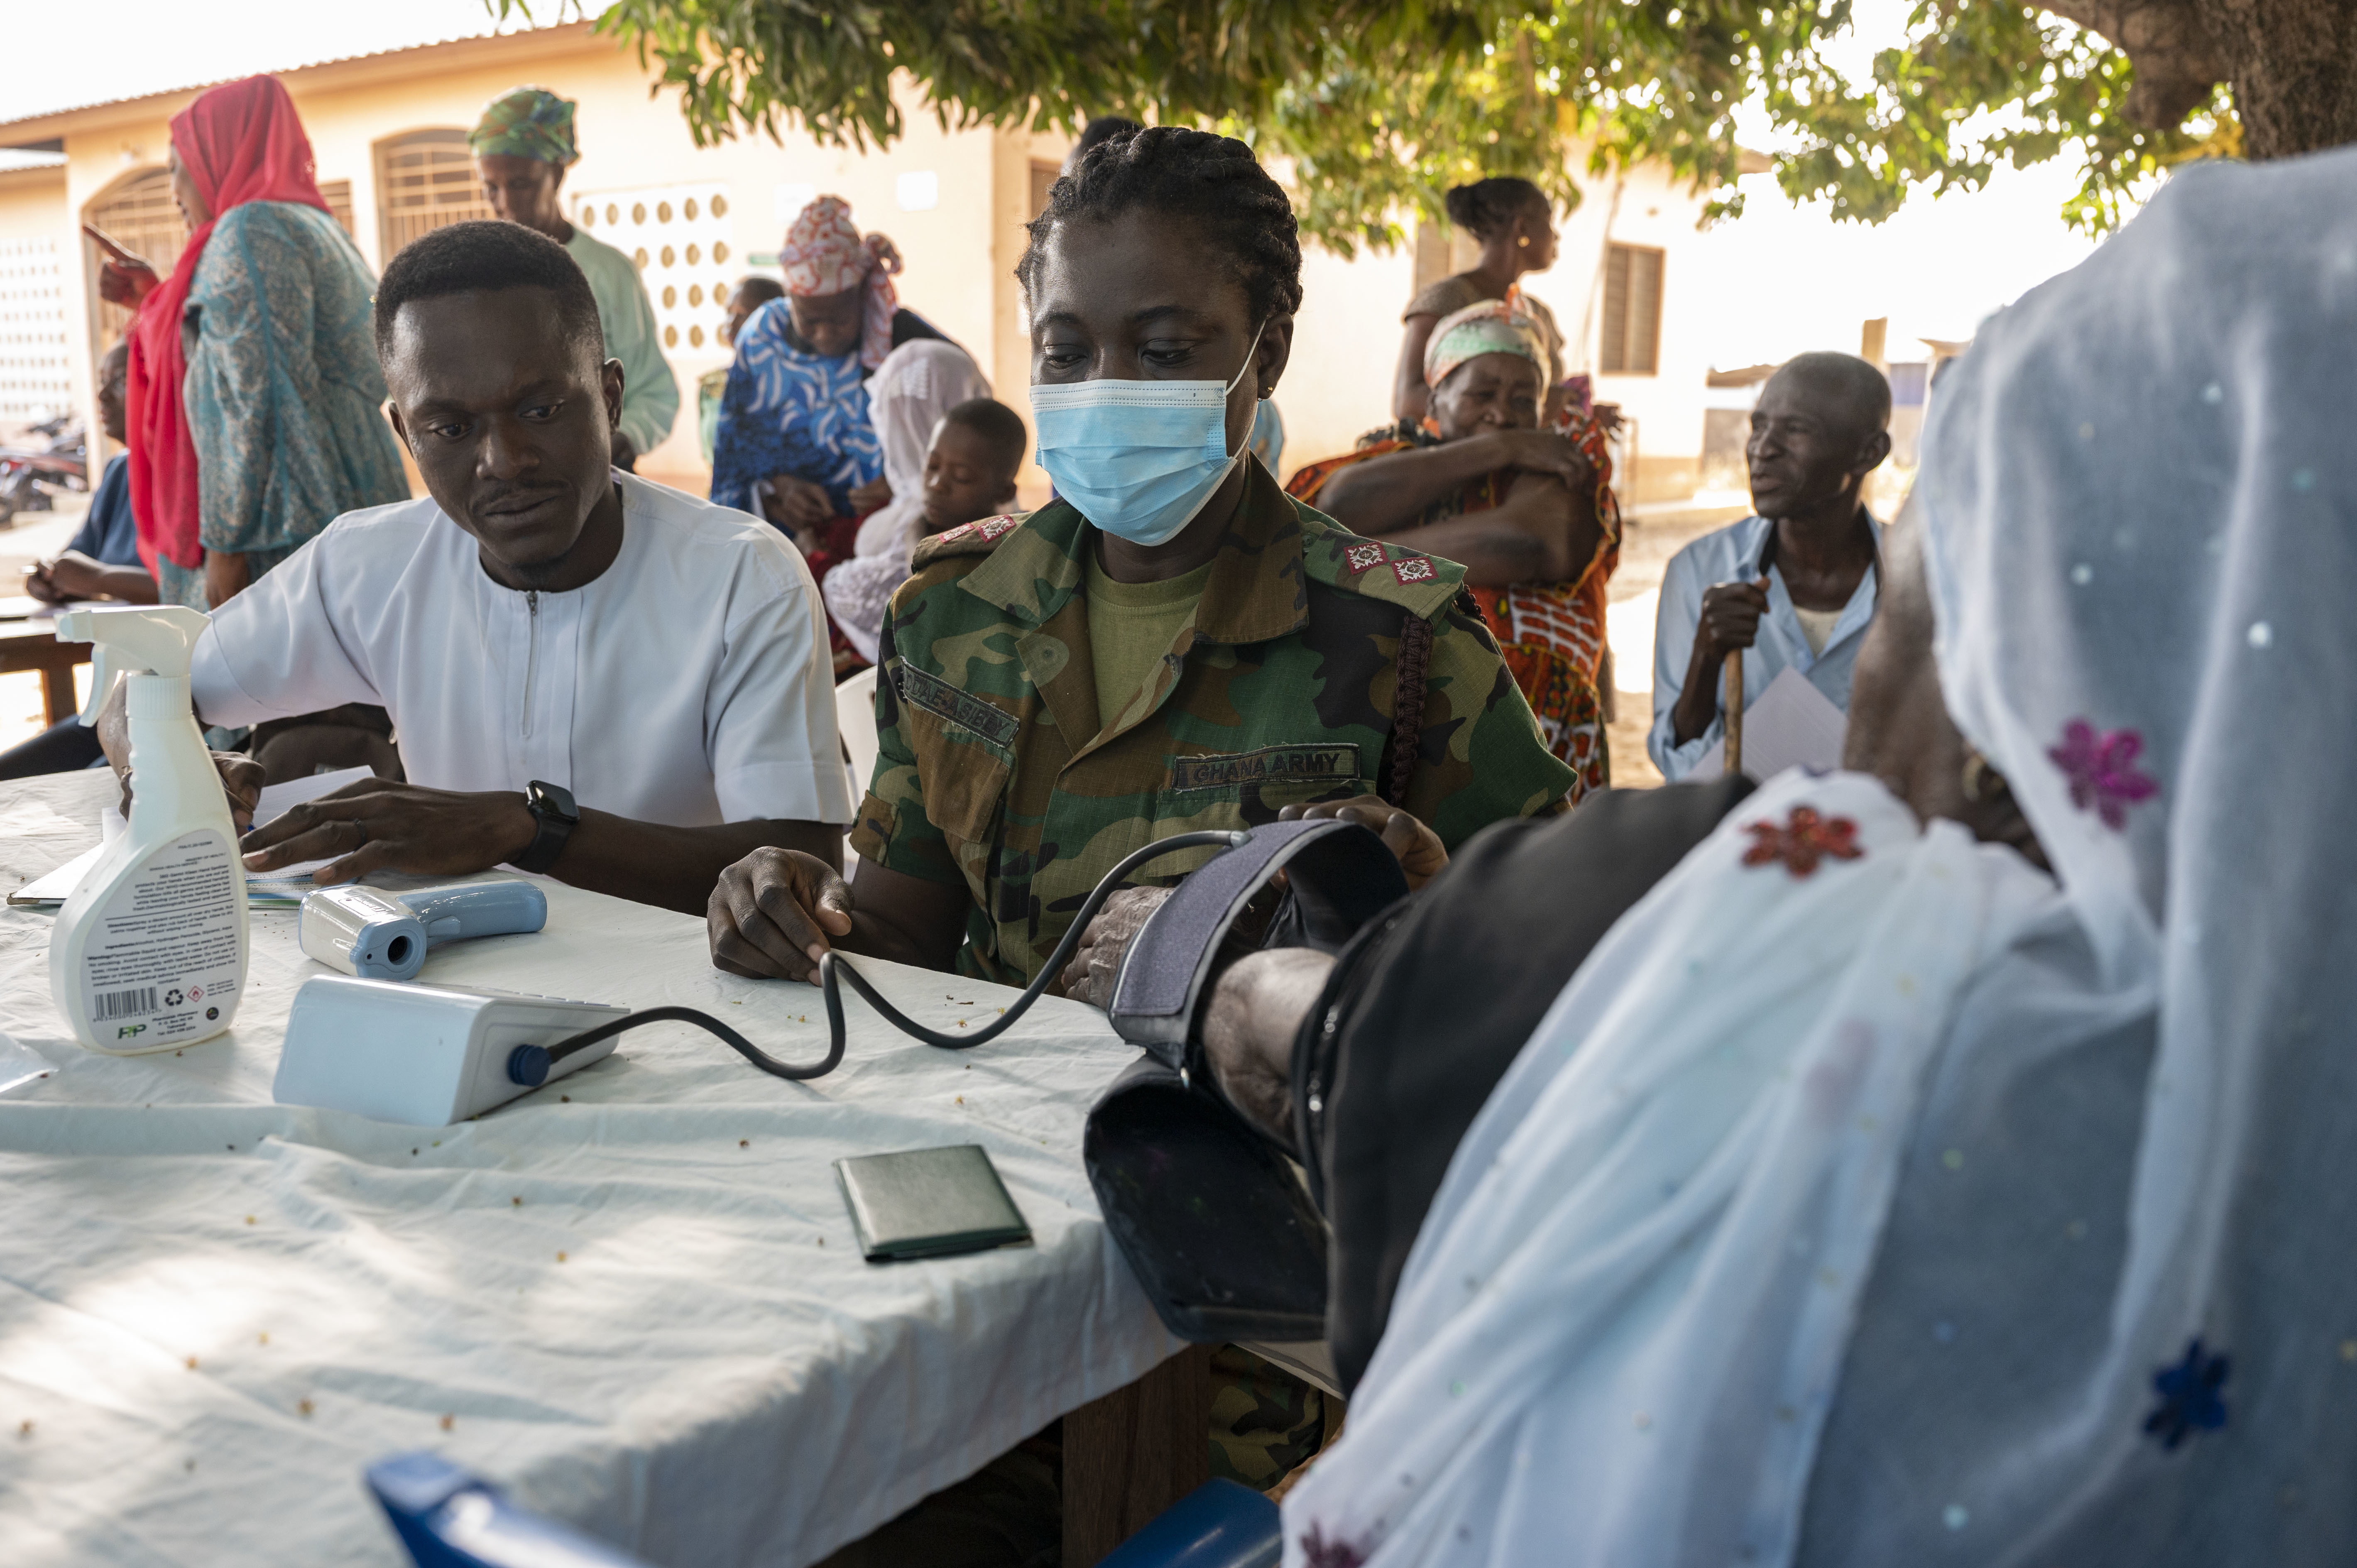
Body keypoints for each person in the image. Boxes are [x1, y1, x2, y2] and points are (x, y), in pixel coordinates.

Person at [1155, 148, 2351, 1566]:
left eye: (1930, 591)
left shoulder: (1747, 916)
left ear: (2023, 666)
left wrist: (1252, 979)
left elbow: (1348, 1038)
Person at [703, 125, 1574, 994]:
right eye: (1064, 353)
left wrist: (1291, 961)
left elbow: (1556, 953)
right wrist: (796, 917)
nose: (1104, 389)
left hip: (1249, 1082)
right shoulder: (950, 611)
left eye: (1162, 352)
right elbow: (904, 941)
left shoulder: (1401, 638)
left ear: (1266, 354)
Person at [100, 220, 850, 914]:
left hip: (689, 992)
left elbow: (798, 866)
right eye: (451, 428)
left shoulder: (744, 579)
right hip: (439, 984)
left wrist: (529, 829)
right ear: (406, 434)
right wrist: (158, 763)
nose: (504, 461)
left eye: (541, 411)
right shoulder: (368, 565)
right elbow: (147, 684)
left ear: (610, 397)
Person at [96, 74, 408, 610]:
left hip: (283, 522)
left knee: (282, 662)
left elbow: (252, 396)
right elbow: (244, 348)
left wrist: (226, 541)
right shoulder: (309, 222)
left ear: (220, 154)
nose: (174, 191)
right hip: (345, 484)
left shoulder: (251, 229)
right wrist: (155, 297)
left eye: (177, 167)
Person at [1288, 300, 1619, 796]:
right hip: (1407, 738)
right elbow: (1338, 504)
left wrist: (1357, 557)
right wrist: (1501, 447)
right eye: (1481, 394)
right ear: (1435, 398)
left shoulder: (1562, 461)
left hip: (1545, 739)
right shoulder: (1393, 458)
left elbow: (1531, 542)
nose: (1502, 413)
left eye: (1523, 399)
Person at [1648, 352, 1890, 781]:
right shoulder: (1699, 571)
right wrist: (1707, 657)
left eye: (1796, 430)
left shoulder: (1922, 586)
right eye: (1758, 427)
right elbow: (1679, 765)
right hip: (1738, 821)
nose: (1761, 449)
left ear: (1867, 453)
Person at [707, 195, 950, 539]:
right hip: (785, 542)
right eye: (808, 320)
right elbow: (736, 449)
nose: (823, 334)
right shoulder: (762, 338)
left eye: (838, 320)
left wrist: (906, 480)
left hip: (886, 542)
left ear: (862, 294)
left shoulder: (905, 341)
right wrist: (777, 489)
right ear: (790, 298)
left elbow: (971, 428)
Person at [471, 86, 679, 471]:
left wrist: (618, 439)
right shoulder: (476, 274)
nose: (506, 204)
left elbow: (654, 391)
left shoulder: (609, 271)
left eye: (521, 184)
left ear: (557, 173)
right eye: (491, 188)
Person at [0, 345, 159, 781]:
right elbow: (77, 561)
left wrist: (100, 578)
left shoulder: (190, 475)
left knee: (73, 790)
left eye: (119, 382)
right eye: (102, 383)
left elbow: (191, 590)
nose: (103, 396)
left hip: (175, 703)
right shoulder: (120, 472)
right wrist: (51, 581)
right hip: (118, 703)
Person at [821, 387, 1024, 667]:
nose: (936, 485)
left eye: (961, 477)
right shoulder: (917, 524)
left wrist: (916, 544)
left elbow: (925, 610)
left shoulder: (997, 553)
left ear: (1004, 492)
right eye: (932, 466)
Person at [1393, 176, 1565, 429]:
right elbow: (1407, 403)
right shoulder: (1448, 299)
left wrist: (1581, 408)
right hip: (1460, 453)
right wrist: (1535, 404)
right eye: (1548, 221)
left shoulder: (1537, 314)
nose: (1556, 236)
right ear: (1521, 228)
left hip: (1526, 452)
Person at [698, 275, 786, 464]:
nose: (731, 323)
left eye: (744, 315)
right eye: (729, 313)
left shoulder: (790, 386)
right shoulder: (713, 385)